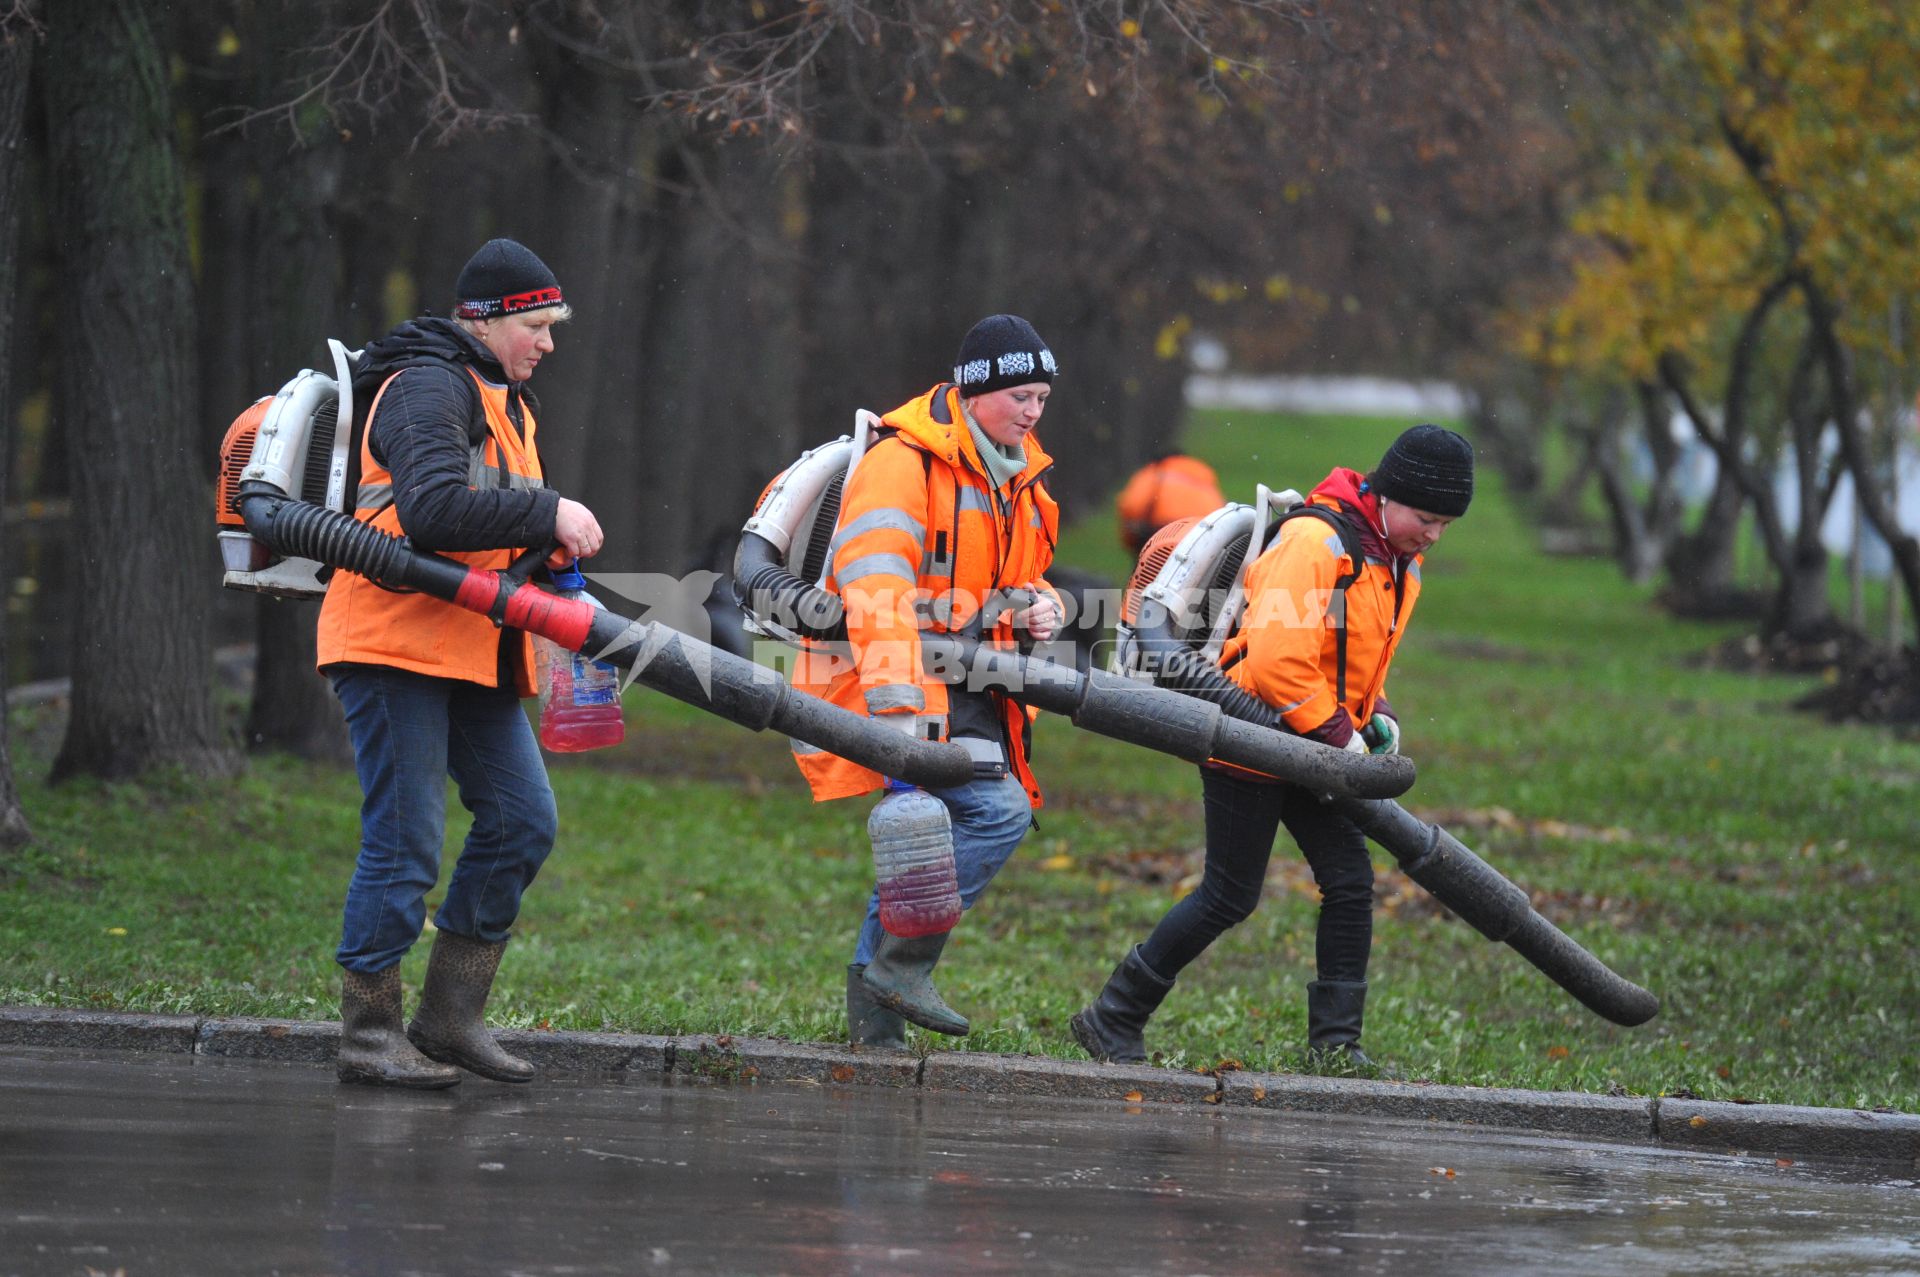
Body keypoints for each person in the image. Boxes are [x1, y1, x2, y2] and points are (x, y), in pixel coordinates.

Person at [1072, 424, 1474, 1071]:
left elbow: (1353, 659)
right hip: (1250, 738)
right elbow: (1277, 661)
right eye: (1427, 517)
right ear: (1390, 495)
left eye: (1446, 524)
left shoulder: (1397, 563)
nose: (1433, 534)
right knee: (1229, 895)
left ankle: (1337, 1047)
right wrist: (1342, 736)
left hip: (1314, 744)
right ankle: (1111, 1015)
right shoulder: (1316, 542)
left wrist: (1380, 715)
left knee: (1349, 882)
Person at [316, 238, 605, 1088]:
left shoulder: (508, 400)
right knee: (405, 841)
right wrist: (550, 507)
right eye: (539, 325)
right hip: (392, 640)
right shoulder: (427, 386)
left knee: (523, 820)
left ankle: (449, 1017)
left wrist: (542, 553)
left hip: (471, 644)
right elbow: (434, 508)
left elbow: (486, 523)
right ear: (489, 318)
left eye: (554, 326)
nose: (549, 342)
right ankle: (370, 1033)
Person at [790, 314, 1064, 1048]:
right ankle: (899, 967)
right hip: (898, 687)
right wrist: (897, 714)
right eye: (1020, 395)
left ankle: (876, 1028)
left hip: (974, 692)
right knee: (996, 812)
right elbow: (875, 589)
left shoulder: (1020, 472)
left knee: (926, 847)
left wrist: (1046, 605)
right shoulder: (902, 462)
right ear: (975, 392)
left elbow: (1022, 578)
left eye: (1042, 396)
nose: (1033, 411)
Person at [1115, 452, 1226, 553]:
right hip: (1198, 534)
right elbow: (1220, 514)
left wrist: (1131, 542)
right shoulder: (1202, 477)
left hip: (1159, 532)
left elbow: (1131, 506)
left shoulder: (1154, 472)